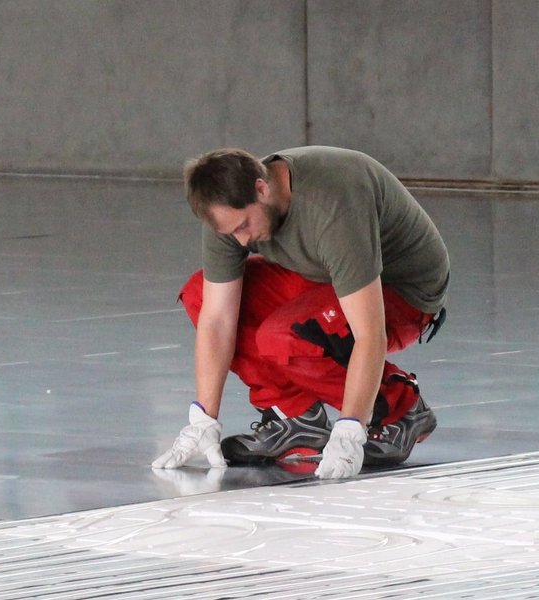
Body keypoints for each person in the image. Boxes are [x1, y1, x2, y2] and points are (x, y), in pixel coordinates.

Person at [151, 146, 449, 480]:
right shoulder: (227, 212)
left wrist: (351, 427)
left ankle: (401, 410)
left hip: (400, 288)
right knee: (200, 294)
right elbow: (218, 318)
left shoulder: (331, 205)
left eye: (245, 225)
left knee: (287, 335)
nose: (242, 238)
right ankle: (295, 417)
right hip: (322, 275)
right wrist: (204, 417)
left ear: (261, 189)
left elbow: (370, 332)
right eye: (232, 232)